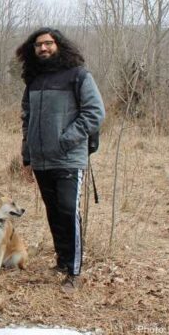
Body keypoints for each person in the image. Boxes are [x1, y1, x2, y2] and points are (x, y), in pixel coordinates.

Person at [16, 27, 105, 292]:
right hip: (42, 160)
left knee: (68, 211)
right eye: (38, 45)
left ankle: (74, 272)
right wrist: (27, 152)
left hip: (69, 158)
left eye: (48, 43)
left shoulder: (78, 75)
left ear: (59, 45)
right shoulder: (33, 80)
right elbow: (26, 118)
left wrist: (66, 139)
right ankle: (63, 260)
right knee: (54, 212)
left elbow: (94, 113)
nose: (43, 48)